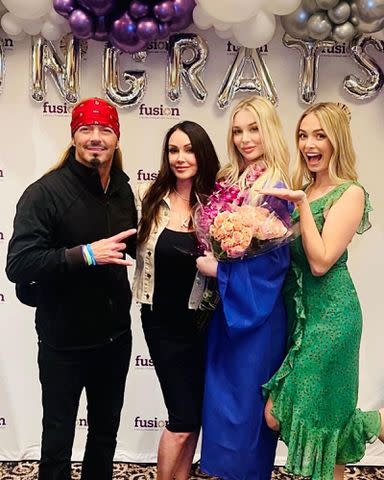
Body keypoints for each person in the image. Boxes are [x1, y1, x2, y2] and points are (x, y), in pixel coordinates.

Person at [6, 97, 137, 480]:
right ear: (74, 135)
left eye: (105, 130)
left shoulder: (124, 189)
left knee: (104, 437)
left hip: (115, 339)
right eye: (86, 129)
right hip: (64, 343)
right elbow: (19, 265)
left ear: (116, 137)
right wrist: (84, 255)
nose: (95, 138)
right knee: (58, 439)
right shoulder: (44, 193)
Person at [262, 102, 384, 480]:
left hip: (333, 318)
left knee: (324, 423)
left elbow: (320, 261)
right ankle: (377, 423)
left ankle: (376, 422)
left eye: (319, 135)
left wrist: (300, 206)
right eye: (303, 135)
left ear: (337, 140)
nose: (309, 144)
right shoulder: (304, 191)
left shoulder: (350, 193)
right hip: (303, 319)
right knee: (278, 414)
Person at [196, 95, 292, 480]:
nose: (244, 139)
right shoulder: (229, 183)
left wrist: (219, 269)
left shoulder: (278, 190)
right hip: (227, 313)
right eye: (237, 130)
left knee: (248, 414)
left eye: (253, 129)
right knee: (221, 408)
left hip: (257, 316)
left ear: (269, 130)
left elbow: (275, 263)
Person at [132, 121, 220, 480]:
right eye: (173, 150)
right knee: (182, 419)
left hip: (204, 322)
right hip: (161, 322)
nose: (180, 158)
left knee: (194, 414)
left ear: (202, 154)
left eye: (188, 149)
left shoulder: (217, 203)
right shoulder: (147, 197)